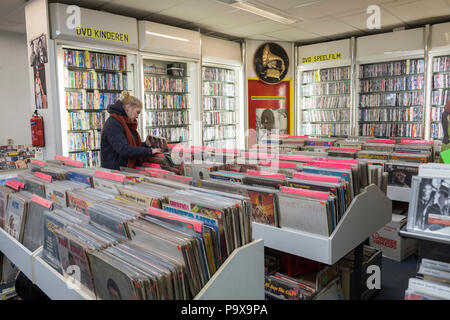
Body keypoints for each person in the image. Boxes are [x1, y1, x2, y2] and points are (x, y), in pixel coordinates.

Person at [100, 91, 162, 170]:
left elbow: (131, 146)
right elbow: (124, 149)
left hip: (122, 170)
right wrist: (149, 151)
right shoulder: (113, 123)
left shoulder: (126, 123)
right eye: (137, 112)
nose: (137, 116)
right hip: (114, 173)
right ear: (128, 107)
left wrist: (145, 144)